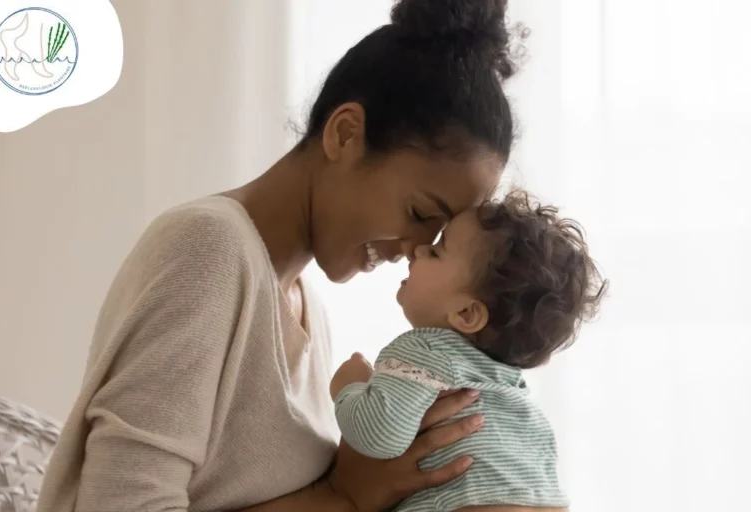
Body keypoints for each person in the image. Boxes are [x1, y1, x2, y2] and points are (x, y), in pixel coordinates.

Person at [37, 1, 555, 511]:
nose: (415, 252)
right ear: (345, 134)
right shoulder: (209, 249)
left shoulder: (308, 309)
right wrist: (341, 496)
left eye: (441, 239)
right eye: (421, 213)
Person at [331, 191, 608, 510]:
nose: (419, 249)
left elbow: (378, 433)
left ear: (466, 314)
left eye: (436, 252)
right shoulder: (512, 393)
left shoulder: (425, 349)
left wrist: (349, 386)